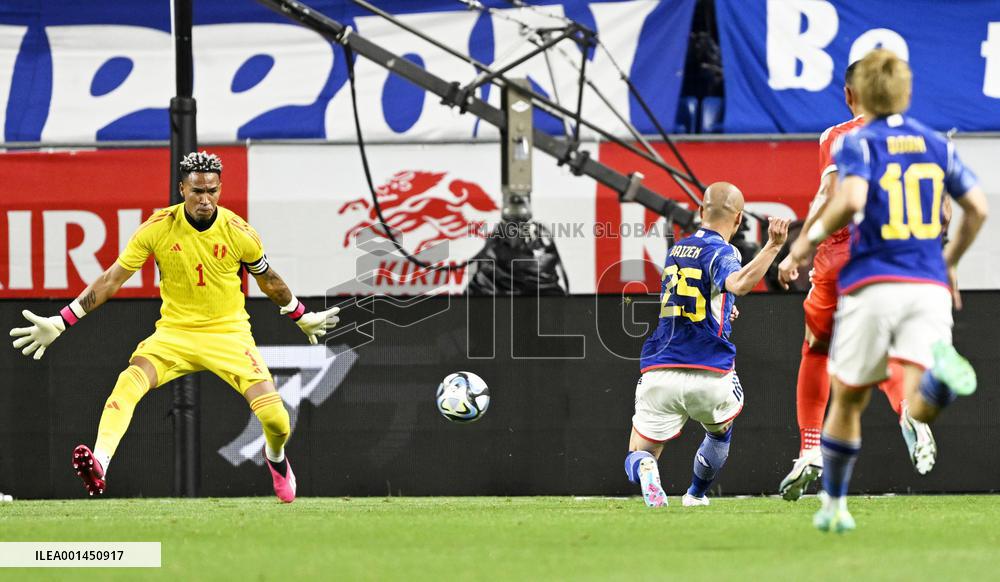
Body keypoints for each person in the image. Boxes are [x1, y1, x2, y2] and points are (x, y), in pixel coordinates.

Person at [9, 151, 340, 503]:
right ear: (182, 188)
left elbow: (269, 280)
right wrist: (62, 320)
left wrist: (301, 314)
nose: (205, 199)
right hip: (174, 335)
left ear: (220, 189)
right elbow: (112, 280)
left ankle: (275, 458)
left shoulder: (239, 232)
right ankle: (100, 464)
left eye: (212, 190)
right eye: (197, 190)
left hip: (228, 335)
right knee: (128, 382)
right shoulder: (158, 228)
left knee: (276, 420)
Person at [786, 49, 988, 532]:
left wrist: (804, 243)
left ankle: (834, 506)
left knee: (849, 396)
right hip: (928, 284)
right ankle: (938, 385)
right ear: (908, 93)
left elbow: (847, 198)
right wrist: (951, 262)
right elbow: (973, 210)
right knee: (913, 395)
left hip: (872, 281)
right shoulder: (937, 144)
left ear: (852, 95)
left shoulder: (853, 142)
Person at [776, 61, 935, 502]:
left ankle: (810, 450)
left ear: (850, 94)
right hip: (894, 257)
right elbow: (939, 211)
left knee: (818, 347)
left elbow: (830, 196)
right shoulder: (920, 139)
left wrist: (797, 251)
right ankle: (909, 411)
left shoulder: (838, 136)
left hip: (841, 254)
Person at [624, 182, 790, 507]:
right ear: (739, 220)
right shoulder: (723, 251)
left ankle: (646, 467)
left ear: (700, 212)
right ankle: (695, 495)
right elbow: (739, 284)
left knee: (638, 452)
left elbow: (691, 301)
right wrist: (772, 246)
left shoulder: (676, 251)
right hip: (709, 374)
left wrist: (725, 308)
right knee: (719, 431)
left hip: (661, 370)